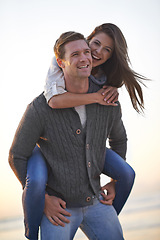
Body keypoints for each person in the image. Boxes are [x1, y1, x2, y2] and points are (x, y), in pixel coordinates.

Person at [21, 23, 142, 239]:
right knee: (36, 181)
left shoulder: (106, 88)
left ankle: (107, 212)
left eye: (107, 50)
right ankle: (31, 233)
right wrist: (44, 200)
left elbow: (119, 138)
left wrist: (114, 182)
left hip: (95, 197)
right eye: (94, 44)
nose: (96, 53)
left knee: (126, 173)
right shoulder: (50, 86)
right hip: (59, 205)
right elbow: (54, 103)